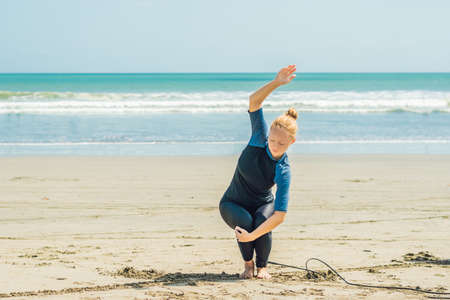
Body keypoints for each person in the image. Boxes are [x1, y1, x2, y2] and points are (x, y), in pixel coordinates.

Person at [219, 65, 298, 279]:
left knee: (262, 221)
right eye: (272, 140)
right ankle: (248, 265)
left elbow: (280, 215)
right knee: (244, 221)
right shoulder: (258, 138)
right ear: (268, 134)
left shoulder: (283, 170)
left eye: (281, 143)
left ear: (292, 142)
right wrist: (277, 82)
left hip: (263, 203)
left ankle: (263, 267)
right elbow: (254, 101)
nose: (274, 145)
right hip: (232, 202)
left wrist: (253, 235)